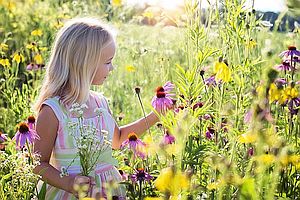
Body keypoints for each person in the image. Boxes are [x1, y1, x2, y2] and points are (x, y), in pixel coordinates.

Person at [33, 17, 160, 199]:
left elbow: (117, 140)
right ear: (84, 64)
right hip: (69, 193)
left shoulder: (100, 102)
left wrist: (156, 115)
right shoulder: (53, 111)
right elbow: (38, 164)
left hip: (109, 190)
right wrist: (69, 183)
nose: (112, 68)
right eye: (107, 62)